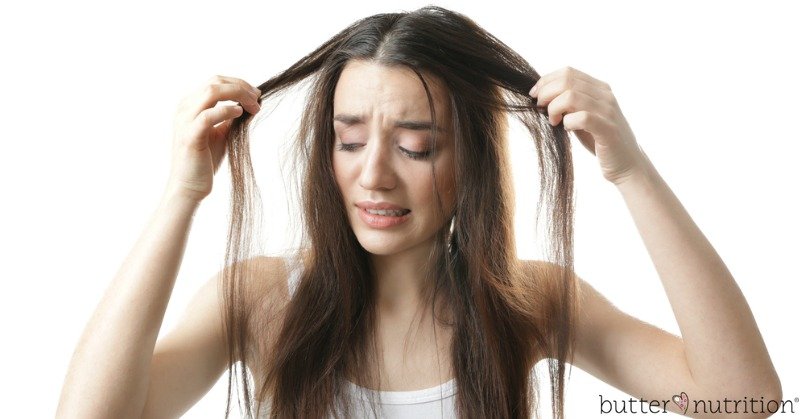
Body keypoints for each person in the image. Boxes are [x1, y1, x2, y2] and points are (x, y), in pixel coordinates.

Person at [56, 6, 781, 419]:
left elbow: (742, 400)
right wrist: (181, 194)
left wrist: (632, 171)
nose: (372, 175)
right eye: (349, 140)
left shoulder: (528, 302)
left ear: (471, 160)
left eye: (415, 146)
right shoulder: (260, 301)